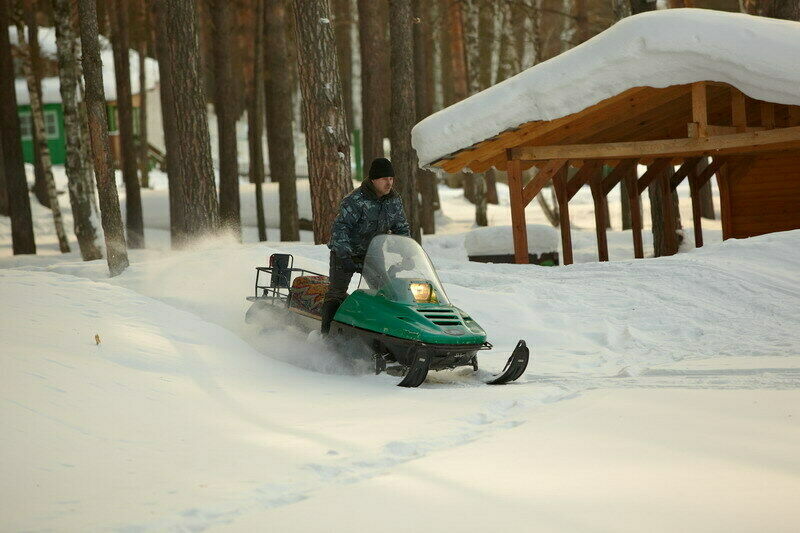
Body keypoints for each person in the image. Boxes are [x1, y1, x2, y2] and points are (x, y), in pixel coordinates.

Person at [321, 157, 411, 334]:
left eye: (391, 179)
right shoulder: (355, 200)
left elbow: (401, 227)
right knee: (336, 293)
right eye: (385, 179)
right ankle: (326, 335)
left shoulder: (393, 200)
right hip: (346, 254)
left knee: (386, 293)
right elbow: (341, 228)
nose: (389, 183)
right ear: (373, 180)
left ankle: (379, 332)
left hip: (373, 254)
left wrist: (407, 254)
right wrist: (344, 255)